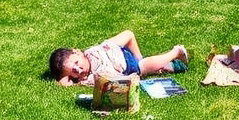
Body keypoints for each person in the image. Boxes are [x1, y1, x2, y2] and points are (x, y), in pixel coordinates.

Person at [50, 30, 189, 86]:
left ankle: (175, 52)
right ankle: (170, 65)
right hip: (118, 51)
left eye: (76, 63)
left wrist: (70, 81)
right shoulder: (89, 54)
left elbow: (65, 83)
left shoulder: (91, 75)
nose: (78, 69)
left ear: (77, 52)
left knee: (142, 67)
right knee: (128, 35)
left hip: (124, 63)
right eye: (73, 72)